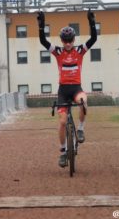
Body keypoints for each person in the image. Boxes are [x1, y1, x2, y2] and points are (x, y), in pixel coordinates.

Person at [37, 9, 97, 167]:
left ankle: (81, 128)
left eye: (70, 40)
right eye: (65, 41)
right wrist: (41, 25)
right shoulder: (58, 52)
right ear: (62, 41)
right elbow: (43, 41)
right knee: (63, 122)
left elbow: (94, 39)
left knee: (83, 101)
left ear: (74, 39)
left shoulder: (79, 51)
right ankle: (63, 152)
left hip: (76, 89)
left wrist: (91, 21)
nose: (68, 43)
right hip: (63, 91)